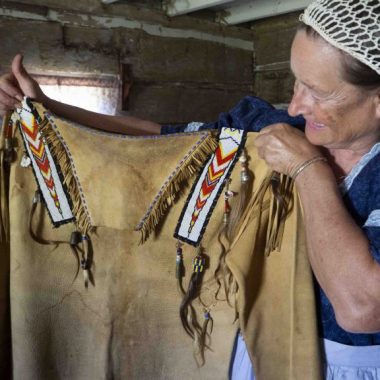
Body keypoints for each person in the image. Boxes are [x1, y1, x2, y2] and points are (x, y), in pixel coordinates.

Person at [1, 0, 380, 378]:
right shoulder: (265, 126)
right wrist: (50, 108)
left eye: (318, 91)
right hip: (257, 350)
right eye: (297, 81)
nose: (296, 106)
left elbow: (360, 309)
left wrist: (308, 170)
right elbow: (166, 141)